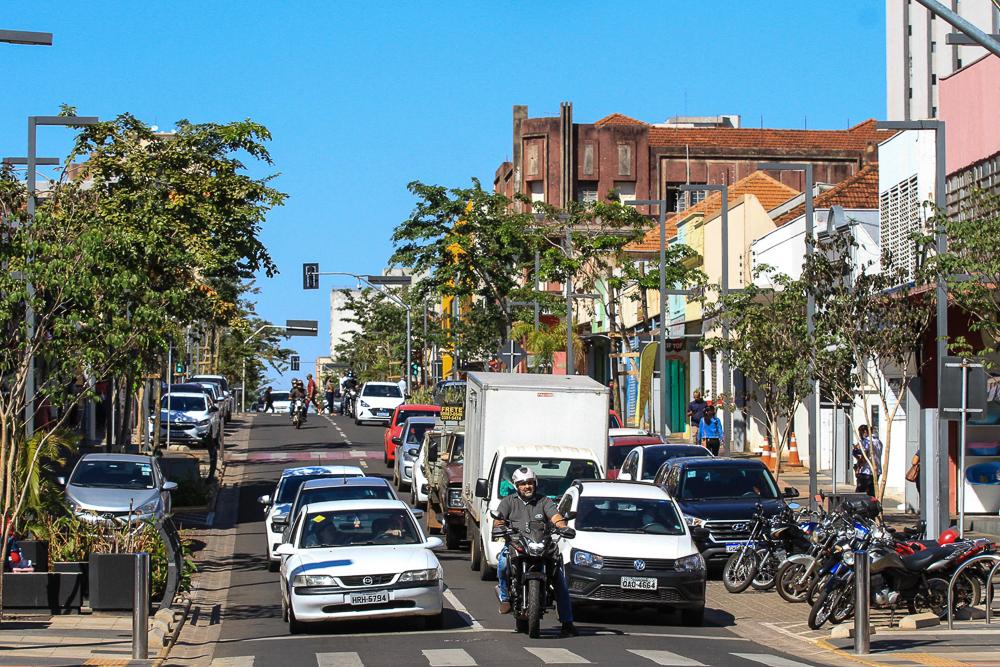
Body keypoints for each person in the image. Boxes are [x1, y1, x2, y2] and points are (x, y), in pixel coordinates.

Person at [494, 466, 578, 637]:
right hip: (516, 545)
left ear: (535, 483)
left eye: (530, 483)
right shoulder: (508, 502)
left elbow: (556, 517)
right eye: (523, 483)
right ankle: (505, 598)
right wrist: (500, 528)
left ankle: (567, 622)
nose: (527, 486)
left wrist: (562, 527)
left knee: (560, 580)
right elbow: (499, 520)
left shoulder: (544, 501)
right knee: (502, 564)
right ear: (516, 486)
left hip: (542, 545)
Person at [853, 424, 883, 497]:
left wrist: (858, 464)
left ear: (865, 431)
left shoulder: (866, 442)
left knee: (860, 494)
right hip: (876, 470)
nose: (860, 435)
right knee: (871, 493)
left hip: (866, 471)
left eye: (860, 433)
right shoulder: (878, 441)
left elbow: (864, 457)